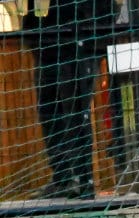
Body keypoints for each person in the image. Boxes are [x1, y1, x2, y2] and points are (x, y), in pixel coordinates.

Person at [21, 0, 118, 199]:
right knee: (49, 111)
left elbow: (111, 8)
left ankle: (82, 180)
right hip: (49, 41)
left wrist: (94, 35)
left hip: (80, 40)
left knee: (75, 111)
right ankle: (63, 178)